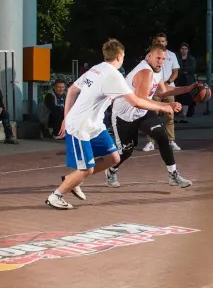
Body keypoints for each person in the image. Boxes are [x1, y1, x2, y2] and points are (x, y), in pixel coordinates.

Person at [45, 39, 181, 210]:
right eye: (123, 56)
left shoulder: (96, 68)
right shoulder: (113, 76)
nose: (123, 58)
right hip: (80, 127)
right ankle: (55, 195)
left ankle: (73, 180)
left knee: (113, 158)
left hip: (94, 125)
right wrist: (164, 106)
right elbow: (137, 102)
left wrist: (66, 116)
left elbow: (72, 89)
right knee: (86, 169)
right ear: (119, 56)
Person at [106, 43, 197, 191]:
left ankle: (173, 175)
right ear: (149, 56)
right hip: (124, 115)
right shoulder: (145, 72)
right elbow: (139, 101)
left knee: (162, 136)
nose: (160, 61)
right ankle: (111, 170)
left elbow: (162, 90)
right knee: (126, 151)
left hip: (142, 111)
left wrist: (187, 89)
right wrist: (165, 107)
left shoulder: (157, 71)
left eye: (163, 59)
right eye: (158, 58)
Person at [143, 33, 182, 153]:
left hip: (168, 89)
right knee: (152, 116)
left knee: (170, 116)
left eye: (163, 41)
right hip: (154, 89)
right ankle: (150, 142)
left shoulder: (172, 55)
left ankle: (171, 140)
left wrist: (167, 82)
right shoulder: (150, 55)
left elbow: (175, 72)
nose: (160, 43)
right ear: (155, 42)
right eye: (158, 41)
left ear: (166, 43)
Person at [174, 42, 199, 122]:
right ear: (180, 50)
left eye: (185, 49)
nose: (184, 50)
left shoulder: (191, 59)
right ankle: (176, 115)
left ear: (188, 50)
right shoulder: (177, 59)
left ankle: (184, 117)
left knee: (187, 99)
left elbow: (192, 68)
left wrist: (182, 70)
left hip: (188, 81)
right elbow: (176, 68)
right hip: (179, 81)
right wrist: (184, 70)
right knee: (178, 98)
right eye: (182, 49)